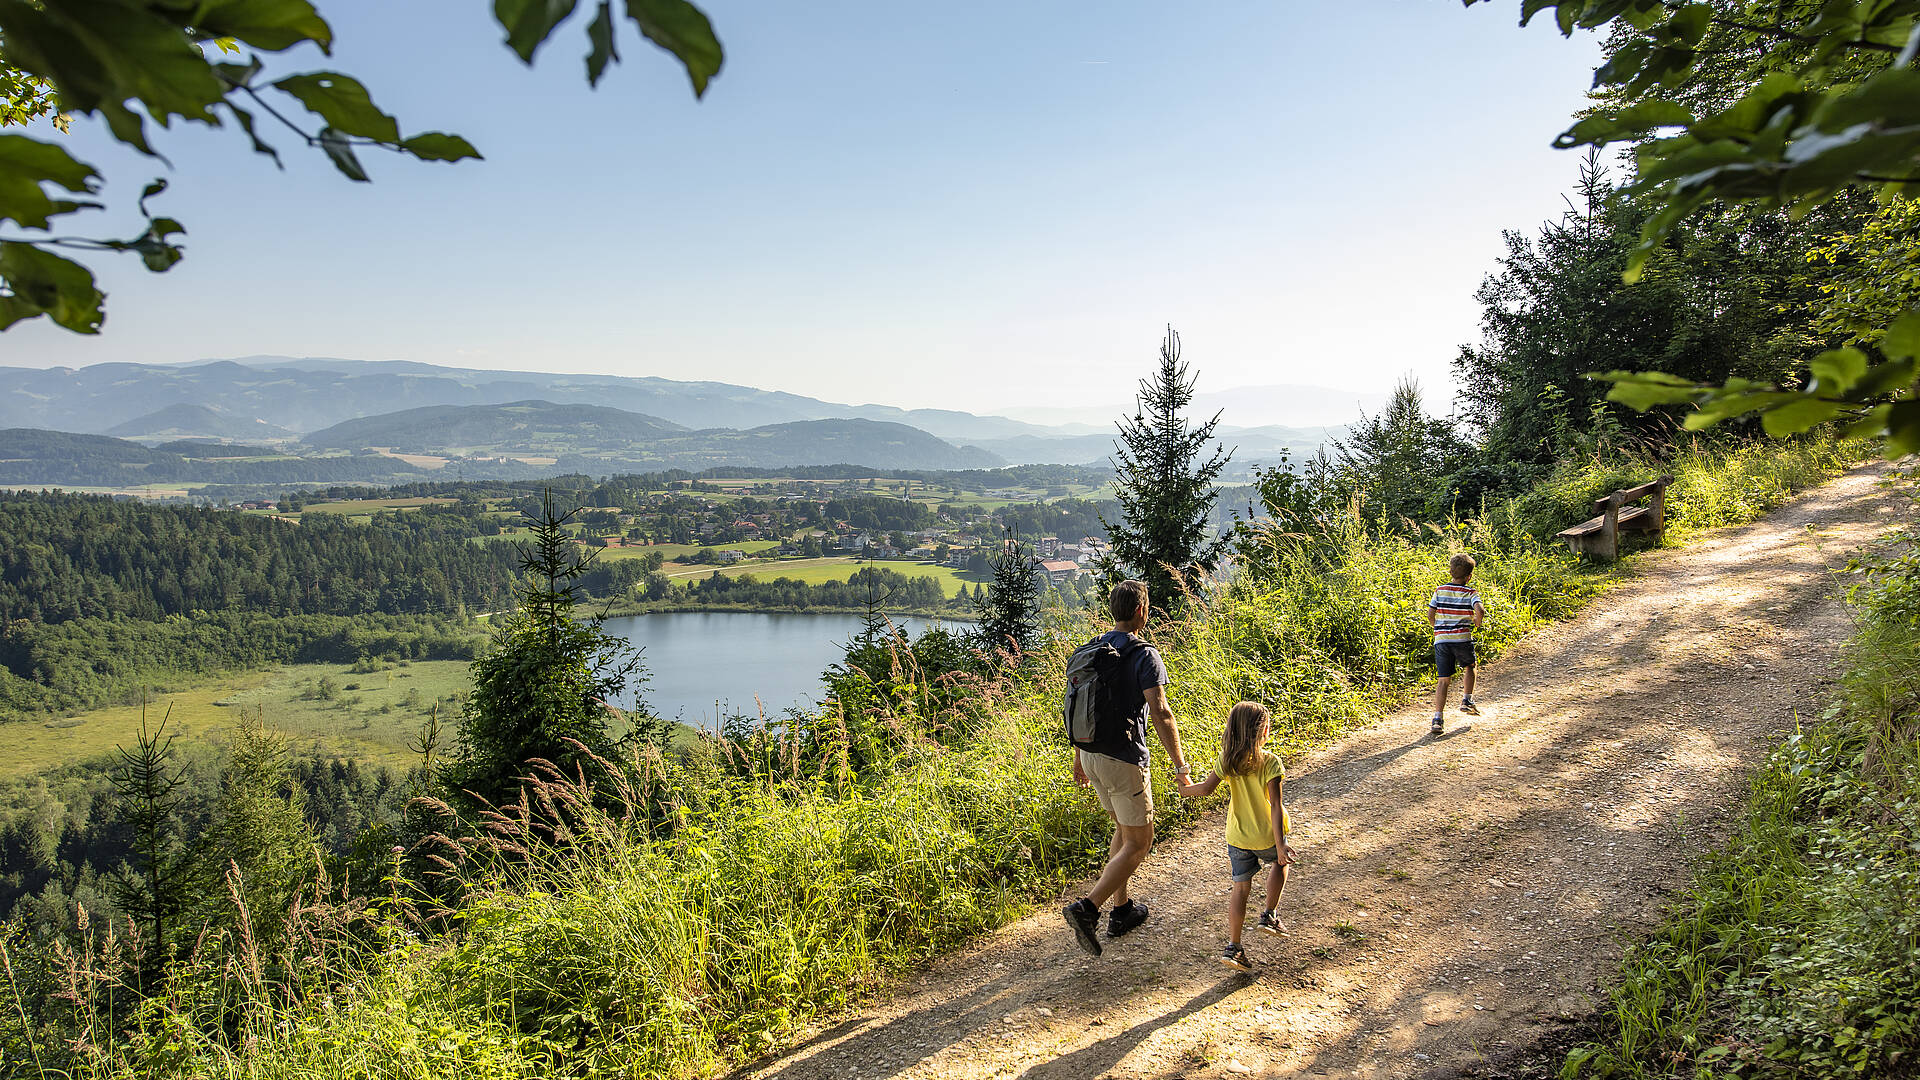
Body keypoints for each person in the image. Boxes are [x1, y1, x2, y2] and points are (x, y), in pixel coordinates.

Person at [1062, 579, 1191, 957]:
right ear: (1141, 611)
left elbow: (1082, 706)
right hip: (1123, 760)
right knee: (1140, 842)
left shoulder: (1092, 650)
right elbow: (1161, 713)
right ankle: (1088, 908)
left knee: (1123, 830)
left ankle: (1121, 909)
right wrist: (1180, 765)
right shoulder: (1143, 654)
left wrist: (1079, 756)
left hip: (1091, 756)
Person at [1176, 701, 1294, 971]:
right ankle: (1269, 915)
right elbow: (1275, 806)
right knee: (1279, 864)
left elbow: (1205, 789)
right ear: (1263, 731)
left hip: (1238, 836)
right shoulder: (1270, 762)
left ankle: (1234, 947)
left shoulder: (1227, 760)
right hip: (1265, 834)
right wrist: (1280, 844)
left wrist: (1185, 789)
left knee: (1240, 889)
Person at [1428, 552, 1488, 735]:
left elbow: (1431, 614)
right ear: (1469, 576)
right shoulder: (1470, 592)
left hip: (1442, 640)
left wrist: (1437, 628)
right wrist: (1477, 622)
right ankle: (1467, 700)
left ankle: (1438, 719)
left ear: (1450, 571)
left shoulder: (1440, 590)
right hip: (1462, 638)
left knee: (1443, 680)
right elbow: (1480, 610)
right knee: (1470, 666)